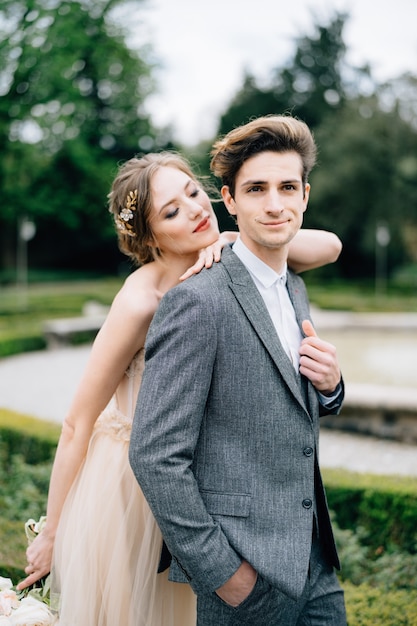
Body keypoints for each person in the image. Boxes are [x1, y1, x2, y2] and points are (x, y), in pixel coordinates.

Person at [18, 150, 341, 626]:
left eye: (192, 192)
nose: (193, 210)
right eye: (171, 211)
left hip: (205, 475)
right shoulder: (141, 299)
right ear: (148, 237)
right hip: (135, 486)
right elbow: (77, 421)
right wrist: (53, 530)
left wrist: (235, 234)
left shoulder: (234, 257)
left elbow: (329, 246)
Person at [129, 117, 347, 626]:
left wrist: (332, 387)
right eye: (256, 189)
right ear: (230, 202)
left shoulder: (292, 284)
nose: (275, 204)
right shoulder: (195, 303)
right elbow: (155, 454)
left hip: (314, 562)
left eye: (287, 187)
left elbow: (286, 411)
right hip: (244, 575)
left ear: (305, 196)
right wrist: (224, 573)